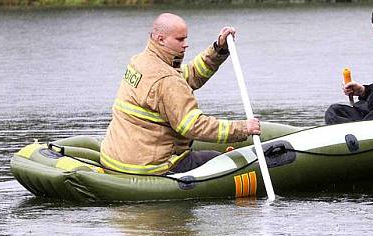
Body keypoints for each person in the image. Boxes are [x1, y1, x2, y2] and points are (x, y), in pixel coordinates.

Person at [100, 13, 260, 175]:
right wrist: (243, 128)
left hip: (117, 156)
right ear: (161, 39)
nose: (186, 44)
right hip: (150, 165)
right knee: (221, 161)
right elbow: (193, 126)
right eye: (180, 39)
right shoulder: (167, 79)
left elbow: (187, 77)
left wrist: (219, 49)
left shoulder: (140, 61)